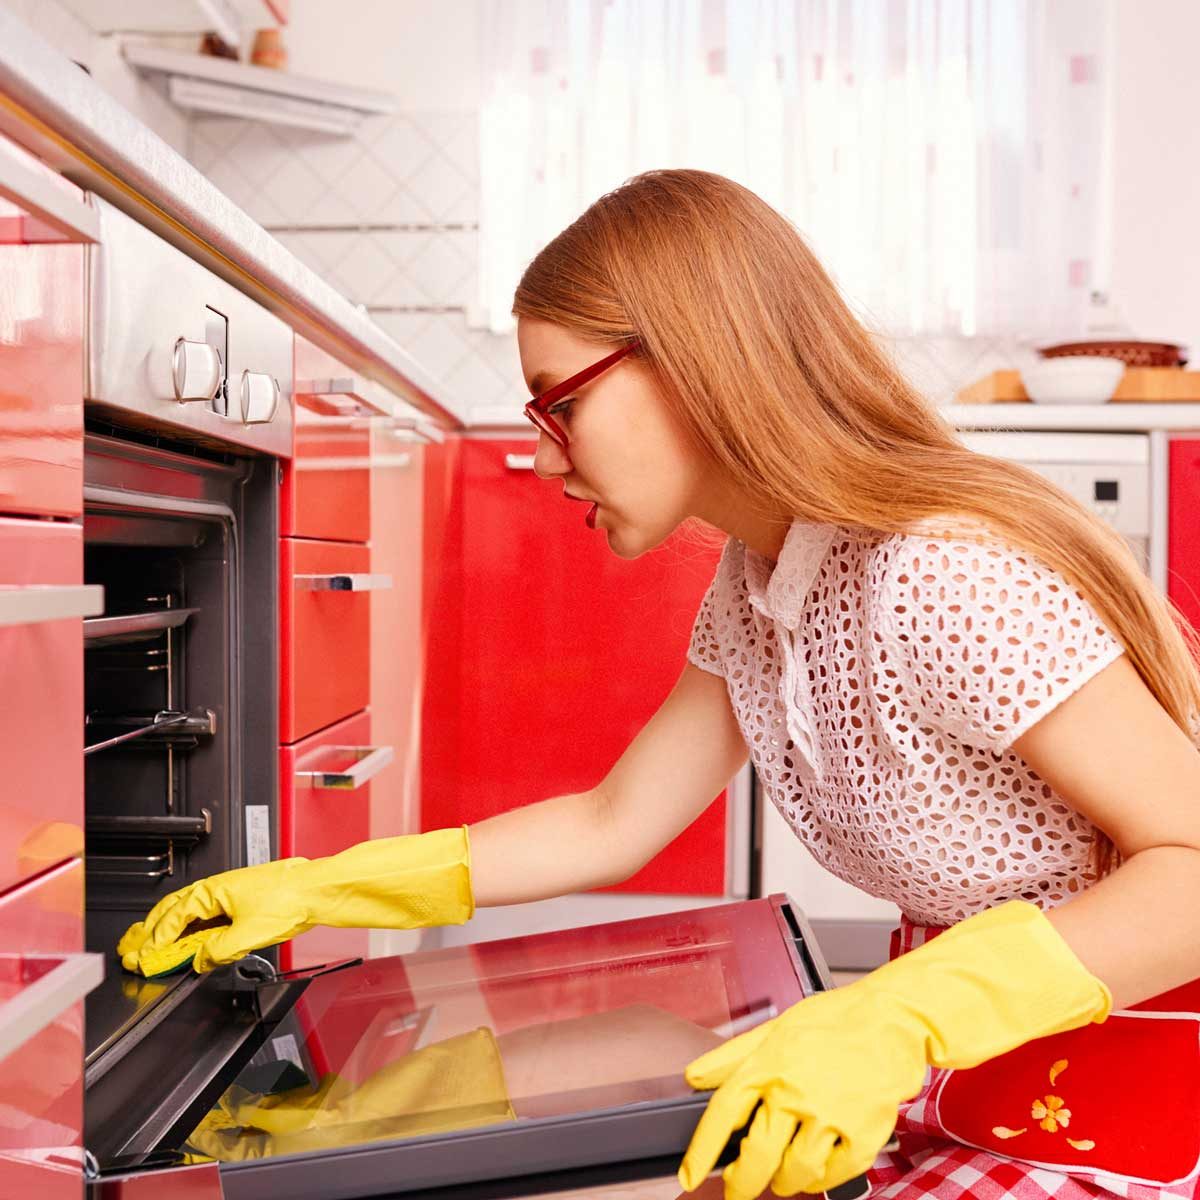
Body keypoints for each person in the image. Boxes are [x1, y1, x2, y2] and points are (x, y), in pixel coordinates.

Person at [119, 169, 1200, 1200]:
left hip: (1129, 1096)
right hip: (970, 1070)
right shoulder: (765, 575)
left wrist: (906, 1018)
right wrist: (321, 886)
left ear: (690, 362)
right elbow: (612, 822)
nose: (544, 457)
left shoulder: (941, 574)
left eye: (559, 406)